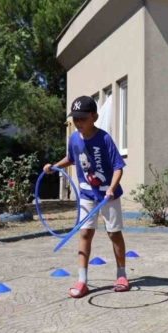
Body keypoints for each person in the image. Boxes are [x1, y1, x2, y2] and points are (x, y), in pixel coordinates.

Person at [44, 96, 130, 298]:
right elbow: (71, 158)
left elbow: (118, 167)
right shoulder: (73, 138)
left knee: (114, 233)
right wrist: (54, 166)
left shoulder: (104, 138)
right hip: (86, 194)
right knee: (85, 234)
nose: (78, 122)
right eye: (75, 118)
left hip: (108, 196)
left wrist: (111, 188)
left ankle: (121, 275)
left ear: (94, 117)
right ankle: (82, 280)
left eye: (83, 118)